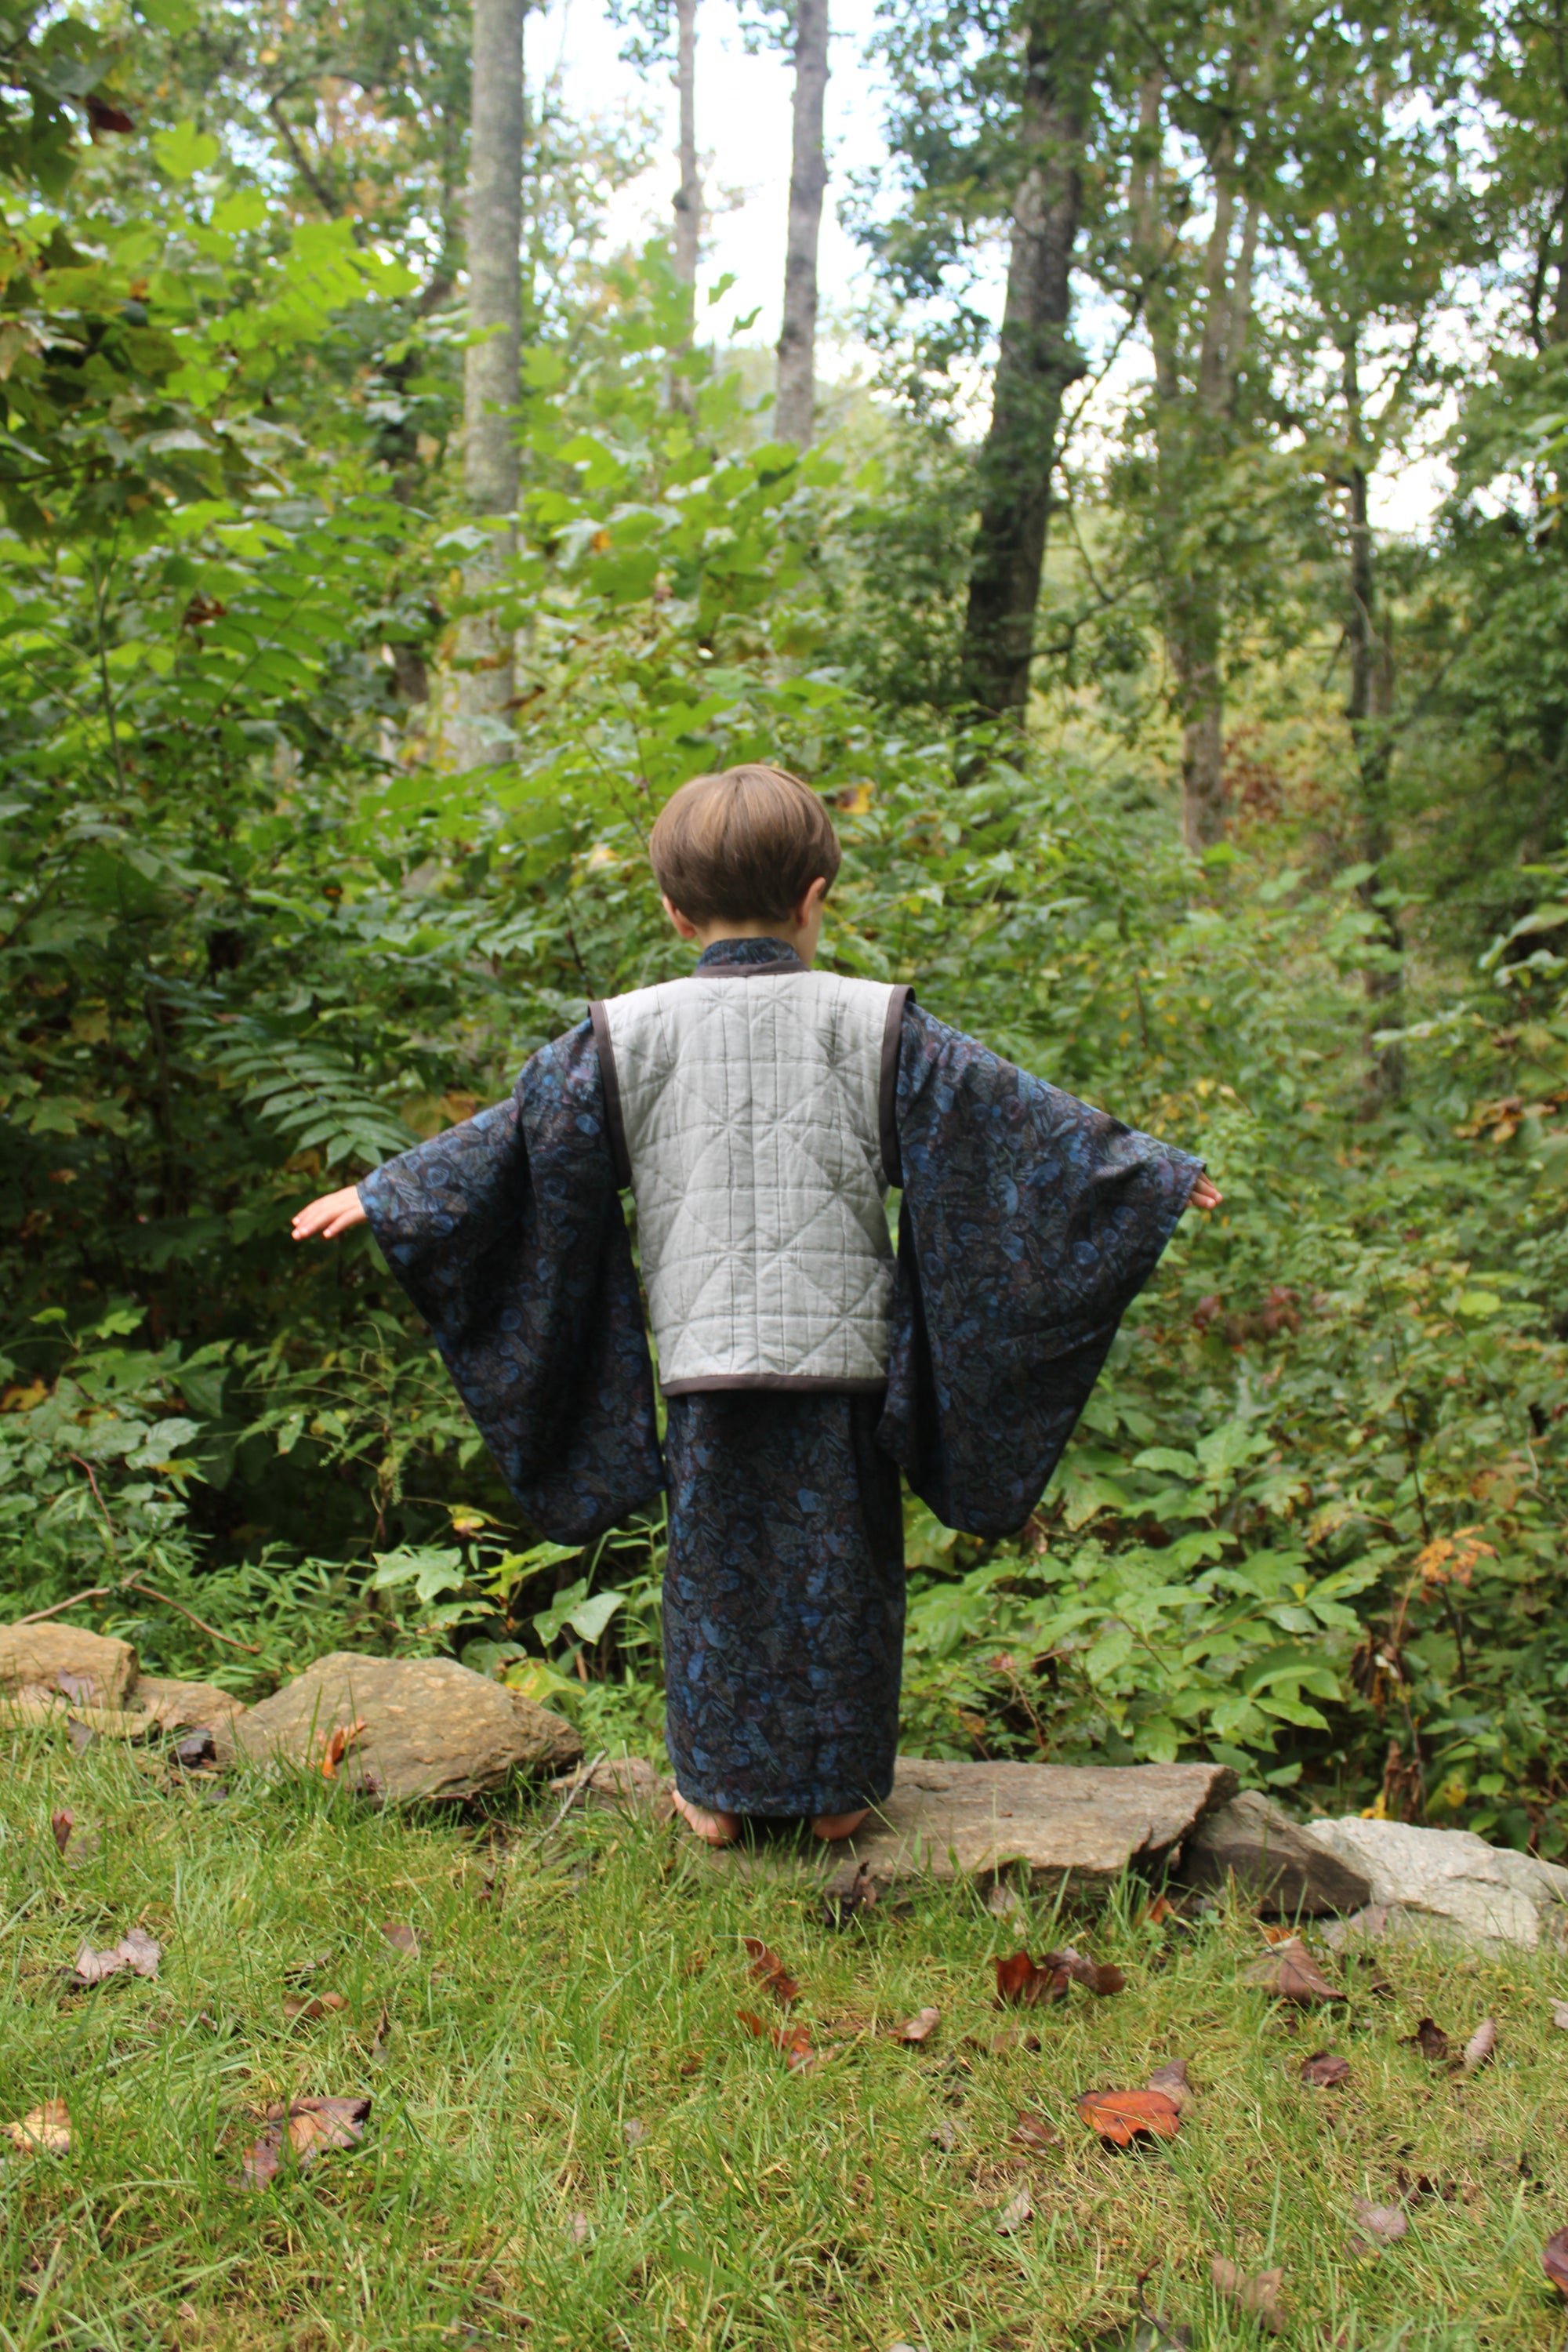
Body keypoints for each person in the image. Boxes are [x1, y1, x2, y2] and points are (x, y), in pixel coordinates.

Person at [293, 764, 1219, 1849]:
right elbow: (1007, 1121)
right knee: (843, 1572)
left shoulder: (626, 1034)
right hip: (844, 1360)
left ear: (674, 912)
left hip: (705, 1357)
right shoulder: (874, 1023)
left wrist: (389, 1195)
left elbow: (516, 1142)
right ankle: (837, 1794)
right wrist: (1142, 1176)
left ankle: (716, 1794)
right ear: (818, 894)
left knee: (715, 1579)